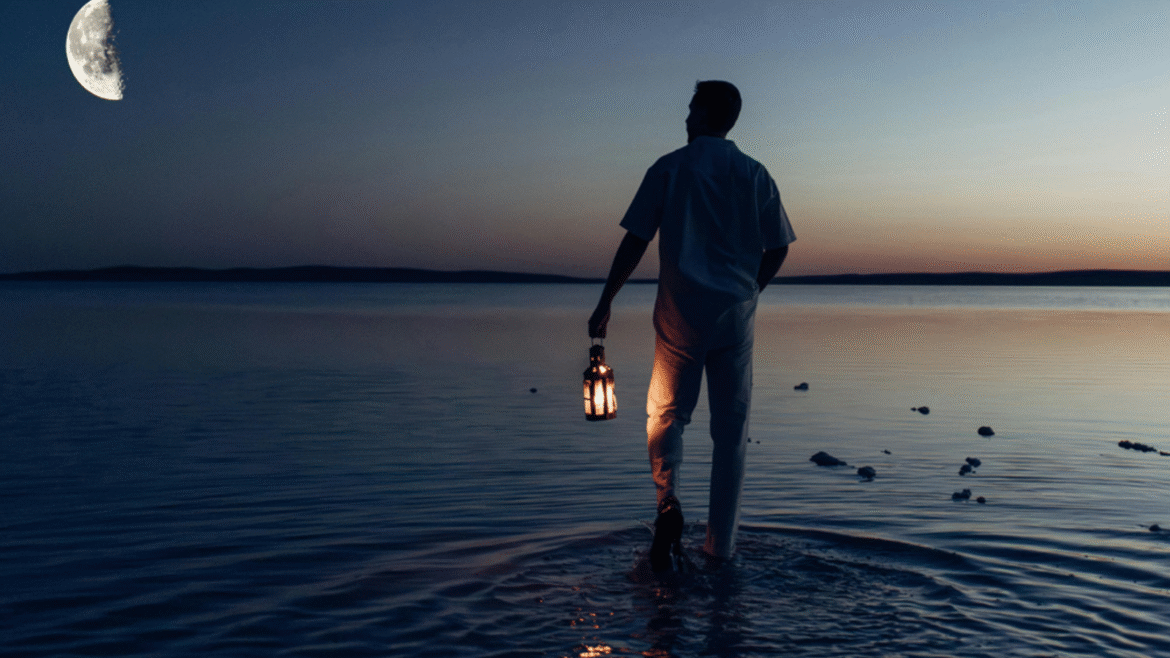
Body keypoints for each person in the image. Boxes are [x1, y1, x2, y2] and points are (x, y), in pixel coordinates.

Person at [588, 80, 796, 572]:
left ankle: (668, 502)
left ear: (704, 115)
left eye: (690, 109)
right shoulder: (755, 174)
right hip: (735, 317)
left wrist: (605, 301)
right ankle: (720, 549)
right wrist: (752, 288)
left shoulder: (670, 167)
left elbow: (635, 240)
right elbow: (779, 246)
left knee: (665, 415)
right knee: (731, 432)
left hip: (682, 315)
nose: (685, 118)